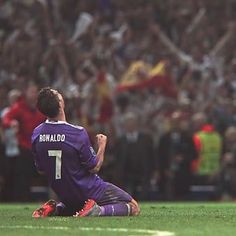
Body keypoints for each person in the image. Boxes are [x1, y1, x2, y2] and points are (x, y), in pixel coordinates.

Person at [32, 87, 140, 217]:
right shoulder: (76, 133)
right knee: (133, 207)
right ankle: (97, 210)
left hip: (63, 193)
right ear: (60, 104)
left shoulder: (37, 133)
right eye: (58, 94)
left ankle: (56, 209)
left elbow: (41, 170)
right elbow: (95, 167)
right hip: (89, 190)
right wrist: (102, 145)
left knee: (76, 205)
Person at [2, 82, 45, 201]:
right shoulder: (19, 107)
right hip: (25, 148)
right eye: (32, 91)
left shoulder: (41, 108)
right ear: (26, 93)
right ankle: (22, 201)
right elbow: (6, 118)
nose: (34, 94)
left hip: (40, 149)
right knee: (22, 179)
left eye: (36, 92)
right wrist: (11, 123)